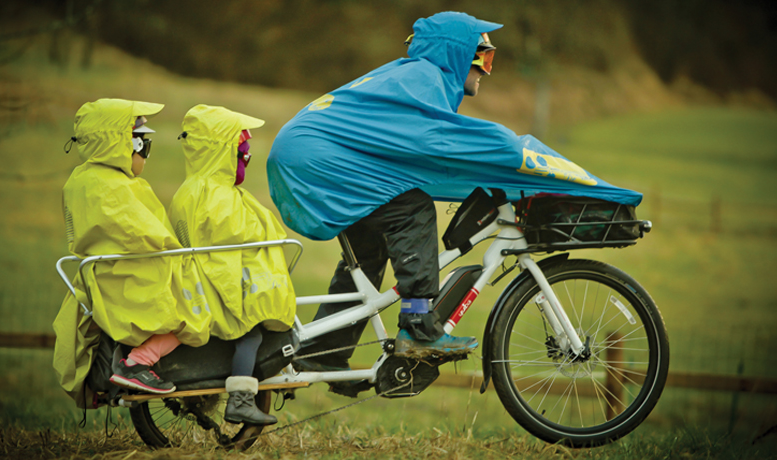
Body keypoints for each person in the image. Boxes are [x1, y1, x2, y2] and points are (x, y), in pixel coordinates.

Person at [266, 12, 642, 373]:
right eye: (481, 57)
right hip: (314, 162)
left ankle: (324, 350)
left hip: (303, 157)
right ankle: (418, 325)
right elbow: (442, 140)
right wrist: (513, 153)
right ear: (455, 54)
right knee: (413, 208)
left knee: (374, 240)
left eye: (490, 60)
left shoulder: (414, 76)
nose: (484, 70)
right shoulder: (424, 78)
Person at [54, 99, 222, 402]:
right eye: (142, 144)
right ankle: (137, 363)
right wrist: (188, 255)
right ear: (118, 144)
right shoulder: (118, 188)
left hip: (109, 279)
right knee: (200, 308)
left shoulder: (82, 179)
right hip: (134, 281)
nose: (145, 153)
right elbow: (149, 236)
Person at [168, 105, 297, 425]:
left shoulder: (198, 189)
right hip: (222, 288)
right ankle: (240, 399)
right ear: (219, 151)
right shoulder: (215, 195)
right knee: (249, 333)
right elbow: (234, 246)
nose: (246, 157)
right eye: (241, 151)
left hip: (208, 283)